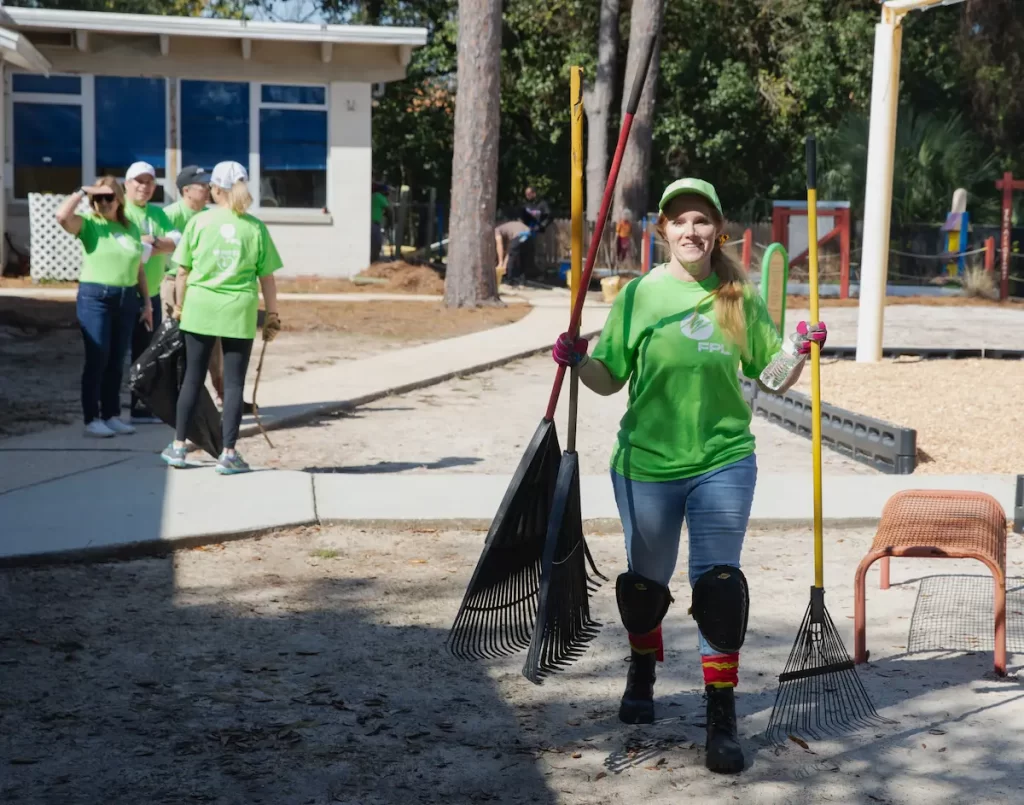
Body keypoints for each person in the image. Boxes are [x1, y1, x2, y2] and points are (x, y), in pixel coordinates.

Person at [551, 178, 826, 775]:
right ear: (664, 231)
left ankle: (720, 716)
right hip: (646, 463)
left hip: (724, 459)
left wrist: (800, 351)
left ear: (717, 230)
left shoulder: (737, 295)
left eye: (702, 221)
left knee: (719, 586)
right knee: (644, 586)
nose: (691, 231)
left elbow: (771, 373)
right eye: (679, 221)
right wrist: (579, 362)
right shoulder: (639, 296)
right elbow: (609, 377)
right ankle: (643, 666)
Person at [162, 161, 283, 475]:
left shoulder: (200, 223)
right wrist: (272, 315)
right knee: (232, 386)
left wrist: (179, 307)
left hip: (199, 308)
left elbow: (182, 272)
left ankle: (177, 448)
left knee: (192, 378)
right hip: (237, 311)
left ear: (215, 189)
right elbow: (267, 278)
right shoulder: (254, 227)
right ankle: (228, 453)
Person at [55, 176, 154, 438]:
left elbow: (139, 267)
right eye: (97, 198)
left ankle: (111, 415)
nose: (103, 203)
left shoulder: (131, 227)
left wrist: (146, 303)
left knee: (116, 359)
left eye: (108, 197)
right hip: (95, 297)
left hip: (126, 297)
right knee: (97, 356)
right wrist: (81, 190)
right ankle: (92, 418)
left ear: (119, 199)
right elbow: (62, 216)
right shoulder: (89, 224)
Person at [161, 165, 226, 409]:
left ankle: (222, 394)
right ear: (186, 190)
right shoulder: (170, 214)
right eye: (202, 185)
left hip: (205, 284)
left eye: (209, 184)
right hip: (174, 282)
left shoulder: (211, 216)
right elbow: (153, 244)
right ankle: (175, 396)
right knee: (176, 341)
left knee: (214, 343)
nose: (208, 189)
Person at [122, 161, 180, 424]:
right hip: (125, 291)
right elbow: (128, 248)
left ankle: (140, 405)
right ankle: (107, 409)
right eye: (138, 181)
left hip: (152, 292)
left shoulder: (158, 214)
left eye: (149, 182)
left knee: (146, 352)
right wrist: (151, 245)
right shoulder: (120, 209)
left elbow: (177, 242)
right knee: (115, 353)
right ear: (127, 183)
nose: (143, 187)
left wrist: (149, 243)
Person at [517, 187, 552, 282]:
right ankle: (525, 274)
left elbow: (548, 217)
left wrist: (541, 226)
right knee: (525, 252)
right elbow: (521, 217)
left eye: (529, 194)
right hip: (526, 232)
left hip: (538, 232)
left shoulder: (542, 204)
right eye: (526, 194)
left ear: (534, 193)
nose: (527, 196)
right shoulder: (525, 205)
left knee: (540, 253)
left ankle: (541, 274)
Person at [494, 216, 531, 286]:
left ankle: (509, 280)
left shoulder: (497, 229)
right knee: (521, 258)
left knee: (513, 258)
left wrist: (500, 263)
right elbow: (509, 250)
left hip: (520, 235)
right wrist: (504, 263)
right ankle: (521, 281)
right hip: (528, 235)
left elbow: (499, 245)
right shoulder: (509, 229)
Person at [371, 183, 389, 264]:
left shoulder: (373, 196)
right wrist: (391, 220)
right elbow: (389, 209)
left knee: (374, 243)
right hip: (374, 224)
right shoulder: (379, 196)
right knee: (377, 243)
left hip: (370, 223)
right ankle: (374, 262)